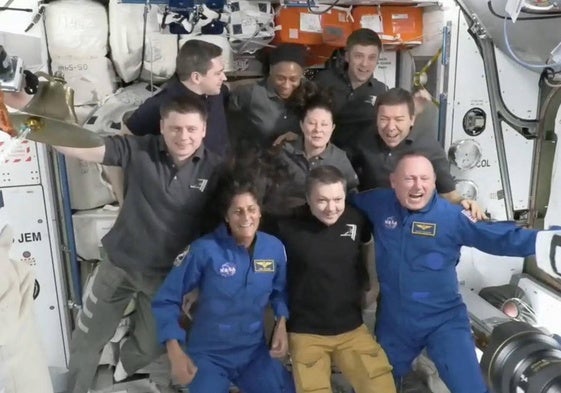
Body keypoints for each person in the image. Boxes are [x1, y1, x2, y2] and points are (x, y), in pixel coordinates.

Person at [52, 95, 222, 393]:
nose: (184, 137)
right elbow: (89, 148)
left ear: (204, 129)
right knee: (87, 341)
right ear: (162, 126)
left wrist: (198, 282)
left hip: (165, 278)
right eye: (175, 128)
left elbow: (213, 232)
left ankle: (122, 369)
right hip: (118, 265)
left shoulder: (216, 170)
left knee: (150, 345)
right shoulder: (139, 150)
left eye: (192, 129)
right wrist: (36, 128)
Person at [351, 152, 542, 393]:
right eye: (409, 179)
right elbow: (341, 201)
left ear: (433, 183)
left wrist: (548, 242)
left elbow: (501, 237)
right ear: (393, 182)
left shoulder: (453, 217)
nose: (417, 186)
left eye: (424, 179)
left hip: (443, 320)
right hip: (395, 320)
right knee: (376, 385)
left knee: (470, 388)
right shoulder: (378, 203)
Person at [151, 172, 295, 393]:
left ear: (260, 212)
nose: (246, 217)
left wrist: (281, 323)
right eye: (237, 211)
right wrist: (175, 351)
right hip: (210, 355)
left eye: (252, 209)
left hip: (253, 353)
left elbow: (280, 290)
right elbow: (166, 299)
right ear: (226, 217)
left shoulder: (274, 248)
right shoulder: (204, 250)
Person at [273, 166, 395, 393]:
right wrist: (278, 323)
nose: (331, 208)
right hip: (306, 332)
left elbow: (368, 247)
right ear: (308, 199)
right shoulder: (285, 226)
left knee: (382, 387)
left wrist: (372, 284)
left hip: (352, 328)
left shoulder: (356, 218)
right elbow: (273, 279)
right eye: (322, 200)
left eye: (337, 199)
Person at [355, 87, 486, 220]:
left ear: (412, 119)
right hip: (372, 220)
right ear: (376, 118)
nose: (391, 127)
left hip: (414, 223)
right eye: (384, 119)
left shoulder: (429, 148)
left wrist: (463, 202)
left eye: (399, 119)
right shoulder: (362, 140)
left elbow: (449, 194)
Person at [125, 39, 229, 157]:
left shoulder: (216, 91)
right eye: (218, 73)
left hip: (222, 169)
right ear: (196, 77)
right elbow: (124, 140)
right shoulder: (161, 104)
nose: (224, 77)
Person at [274, 91, 359, 210]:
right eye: (312, 123)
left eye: (324, 124)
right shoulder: (284, 152)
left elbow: (352, 194)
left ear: (332, 128)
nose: (318, 129)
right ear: (302, 125)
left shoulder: (340, 159)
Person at [229, 43, 310, 150]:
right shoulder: (250, 93)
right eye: (280, 78)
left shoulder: (310, 94)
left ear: (302, 75)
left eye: (293, 79)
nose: (286, 85)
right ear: (271, 70)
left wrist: (300, 138)